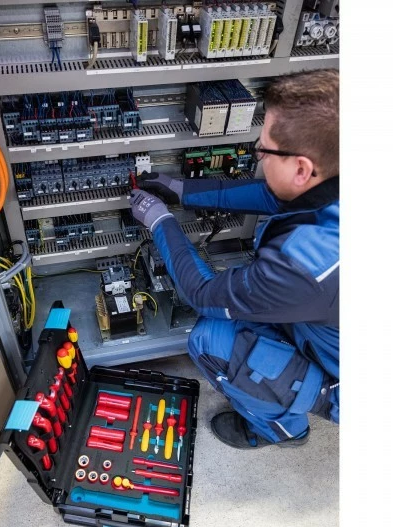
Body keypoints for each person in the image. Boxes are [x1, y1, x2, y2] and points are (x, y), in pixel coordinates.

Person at [130, 69, 339, 449]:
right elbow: (271, 195)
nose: (258, 153)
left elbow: (202, 293)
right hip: (328, 324)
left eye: (265, 149)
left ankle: (280, 429)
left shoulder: (303, 266)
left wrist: (160, 221)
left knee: (211, 338)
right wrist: (182, 189)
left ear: (302, 169)